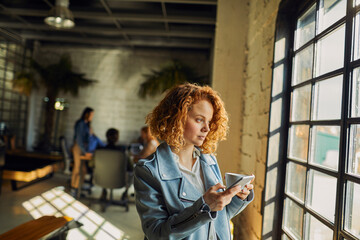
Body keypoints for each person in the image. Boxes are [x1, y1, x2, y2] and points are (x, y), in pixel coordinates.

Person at [134, 83, 254, 240]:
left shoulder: (209, 160)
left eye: (209, 122)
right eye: (199, 120)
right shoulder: (148, 170)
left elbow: (217, 218)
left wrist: (238, 198)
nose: (207, 128)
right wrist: (204, 207)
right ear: (176, 118)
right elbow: (156, 234)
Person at [70, 107, 94, 197]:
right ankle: (73, 188)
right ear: (87, 114)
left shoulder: (87, 124)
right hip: (78, 147)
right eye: (91, 114)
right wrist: (85, 151)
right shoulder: (80, 124)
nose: (92, 117)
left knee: (83, 170)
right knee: (77, 168)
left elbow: (89, 138)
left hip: (83, 148)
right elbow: (79, 139)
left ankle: (78, 189)